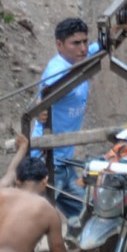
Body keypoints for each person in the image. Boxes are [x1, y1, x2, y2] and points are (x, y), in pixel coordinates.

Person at [32, 17, 97, 220]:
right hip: (47, 163)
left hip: (65, 162)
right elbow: (43, 96)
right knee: (37, 222)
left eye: (85, 41)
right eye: (76, 43)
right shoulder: (58, 71)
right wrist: (39, 109)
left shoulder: (80, 58)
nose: (83, 48)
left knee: (88, 215)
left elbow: (100, 46)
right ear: (59, 45)